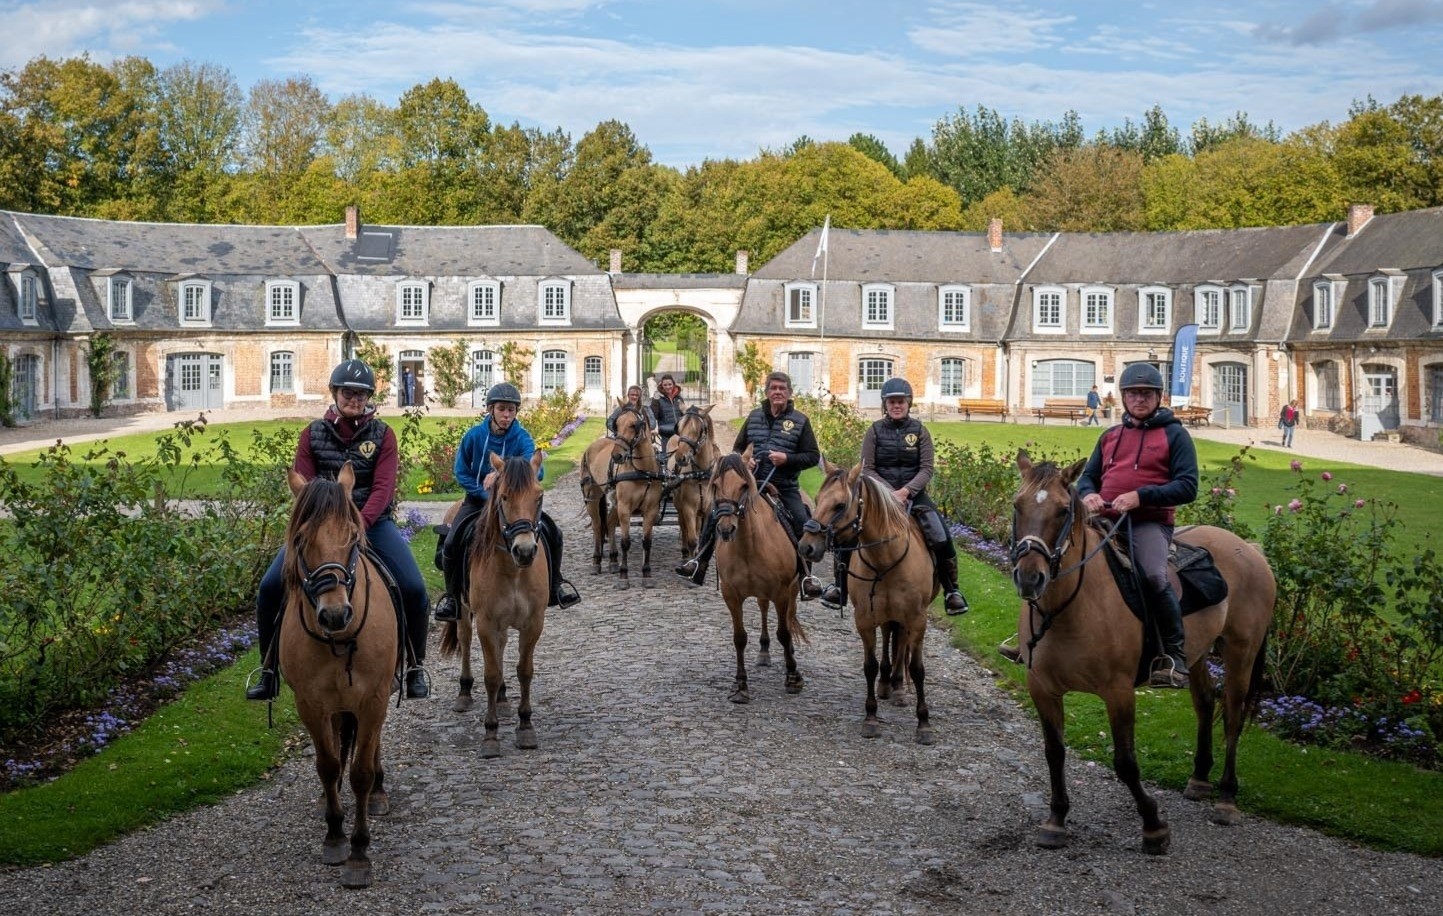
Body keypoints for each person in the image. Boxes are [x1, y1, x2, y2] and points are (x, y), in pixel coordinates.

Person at [1001, 364, 1198, 687]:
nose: (1139, 399)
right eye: (1133, 393)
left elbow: (1188, 486)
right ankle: (1030, 639)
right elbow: (1090, 476)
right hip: (1105, 516)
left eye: (1146, 394)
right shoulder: (1111, 436)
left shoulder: (1175, 435)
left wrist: (1140, 496)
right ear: (1123, 397)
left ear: (1158, 397)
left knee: (1153, 574)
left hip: (1149, 522)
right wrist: (1090, 494)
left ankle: (1174, 656)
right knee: (1055, 557)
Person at [247, 358, 431, 701]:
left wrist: (357, 525)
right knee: (270, 586)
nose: (354, 399)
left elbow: (382, 488)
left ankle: (415, 667)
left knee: (414, 587)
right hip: (320, 529)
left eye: (361, 394)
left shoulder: (383, 435)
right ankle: (268, 669)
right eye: (348, 392)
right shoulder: (313, 434)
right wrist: (328, 527)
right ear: (335, 393)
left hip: (371, 524)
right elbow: (304, 487)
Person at [432, 382, 580, 622]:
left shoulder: (522, 437)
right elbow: (461, 471)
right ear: (491, 409)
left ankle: (555, 585)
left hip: (515, 502)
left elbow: (536, 472)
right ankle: (451, 596)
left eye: (511, 410)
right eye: (501, 409)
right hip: (478, 499)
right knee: (452, 541)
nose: (506, 415)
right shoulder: (474, 436)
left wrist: (503, 473)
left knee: (555, 533)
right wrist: (485, 492)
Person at [819, 378, 968, 614]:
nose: (896, 405)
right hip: (878, 496)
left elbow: (927, 468)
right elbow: (867, 469)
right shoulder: (875, 431)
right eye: (891, 402)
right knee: (848, 532)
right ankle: (839, 587)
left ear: (908, 403)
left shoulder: (920, 431)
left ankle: (952, 590)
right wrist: (889, 493)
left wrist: (906, 491)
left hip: (914, 495)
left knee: (940, 534)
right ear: (885, 405)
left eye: (901, 401)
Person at [675, 371, 822, 596]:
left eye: (782, 389)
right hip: (748, 484)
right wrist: (745, 460)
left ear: (790, 393)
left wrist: (787, 459)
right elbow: (736, 450)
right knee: (717, 512)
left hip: (784, 486)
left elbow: (812, 456)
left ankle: (805, 578)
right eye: (773, 388)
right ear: (767, 393)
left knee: (802, 519)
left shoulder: (800, 421)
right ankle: (699, 563)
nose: (778, 392)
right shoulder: (754, 417)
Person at [650, 374, 686, 457]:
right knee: (667, 456)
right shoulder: (657, 398)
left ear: (673, 384)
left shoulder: (679, 398)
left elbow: (684, 414)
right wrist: (653, 428)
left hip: (679, 431)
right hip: (665, 431)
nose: (667, 387)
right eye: (665, 385)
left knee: (681, 455)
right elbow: (653, 415)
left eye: (670, 384)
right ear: (662, 386)